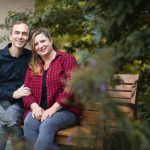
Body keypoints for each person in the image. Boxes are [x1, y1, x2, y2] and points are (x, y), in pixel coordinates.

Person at [23, 28, 82, 150]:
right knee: (29, 121)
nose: (40, 46)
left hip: (66, 110)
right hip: (41, 110)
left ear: (51, 41)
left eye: (43, 41)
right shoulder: (34, 65)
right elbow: (26, 91)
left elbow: (71, 89)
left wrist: (52, 109)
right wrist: (35, 107)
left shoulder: (67, 59)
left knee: (47, 124)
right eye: (36, 44)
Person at [0, 21, 31, 149]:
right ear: (10, 36)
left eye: (24, 34)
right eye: (17, 32)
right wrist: (12, 93)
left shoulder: (32, 57)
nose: (20, 36)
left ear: (28, 38)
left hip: (17, 105)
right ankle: (15, 129)